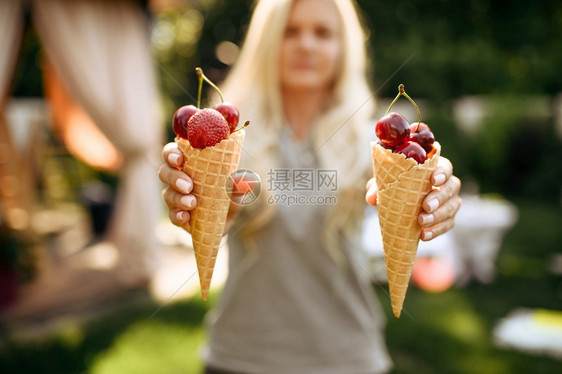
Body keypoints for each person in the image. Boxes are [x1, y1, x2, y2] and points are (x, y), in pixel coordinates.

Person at [159, 0, 462, 372]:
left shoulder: (375, 139)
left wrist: (433, 197)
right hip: (241, 356)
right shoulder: (230, 135)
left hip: (347, 358)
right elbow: (234, 195)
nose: (306, 44)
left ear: (343, 46)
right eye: (290, 31)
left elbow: (410, 203)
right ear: (267, 41)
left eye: (322, 33)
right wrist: (200, 205)